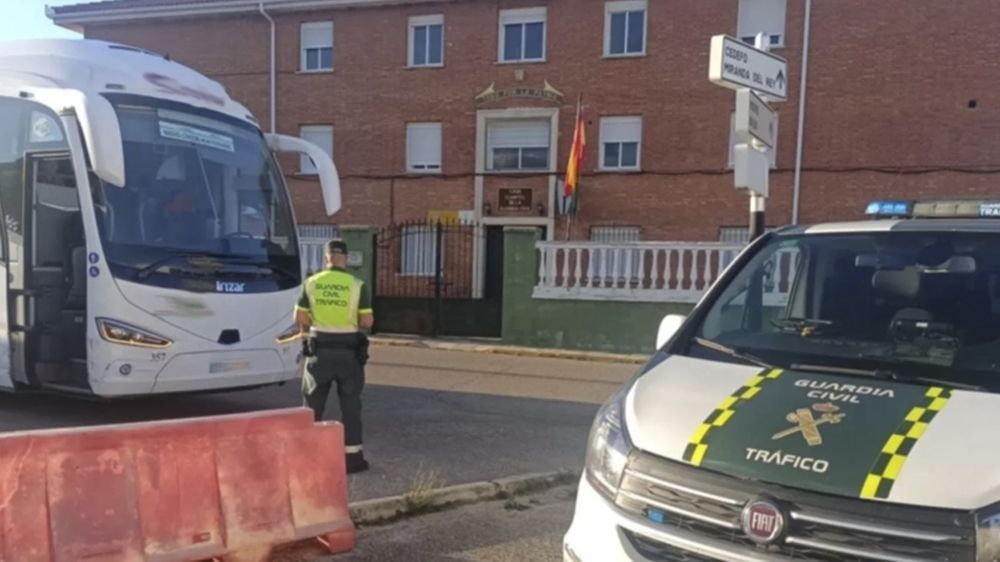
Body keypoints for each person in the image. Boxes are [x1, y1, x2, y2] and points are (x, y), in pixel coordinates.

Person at [295, 239, 374, 474]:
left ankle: (307, 458)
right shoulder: (357, 284)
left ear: (326, 257)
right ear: (345, 258)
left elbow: (300, 319)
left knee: (312, 405)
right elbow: (367, 321)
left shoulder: (311, 283)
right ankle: (352, 458)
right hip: (349, 352)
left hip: (319, 351)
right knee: (350, 405)